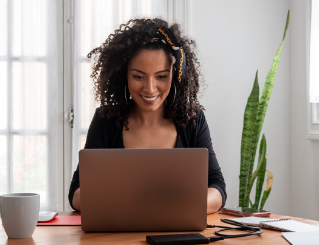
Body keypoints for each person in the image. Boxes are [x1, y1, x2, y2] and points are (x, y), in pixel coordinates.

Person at [68, 18, 226, 214]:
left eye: (161, 76)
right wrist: (138, 205)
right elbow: (76, 193)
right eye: (138, 76)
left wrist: (173, 206)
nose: (150, 89)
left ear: (177, 75)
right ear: (123, 75)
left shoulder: (193, 119)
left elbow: (217, 188)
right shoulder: (105, 119)